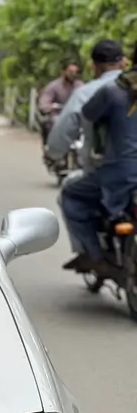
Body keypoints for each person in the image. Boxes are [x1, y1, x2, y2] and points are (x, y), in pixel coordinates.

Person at [60, 42, 137, 276]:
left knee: (71, 194)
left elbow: (88, 115)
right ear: (121, 60)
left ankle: (93, 255)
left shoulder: (114, 90)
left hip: (122, 173)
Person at [46, 40, 125, 173]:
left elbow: (61, 135)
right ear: (123, 63)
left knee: (69, 189)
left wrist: (54, 152)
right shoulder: (131, 89)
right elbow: (45, 100)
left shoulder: (84, 92)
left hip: (101, 173)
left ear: (93, 66)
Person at [37, 60, 82, 144]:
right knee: (48, 122)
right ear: (63, 71)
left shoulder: (81, 86)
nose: (73, 74)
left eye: (75, 72)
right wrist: (47, 106)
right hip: (58, 115)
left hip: (76, 116)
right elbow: (45, 100)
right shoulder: (54, 86)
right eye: (70, 71)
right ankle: (50, 146)